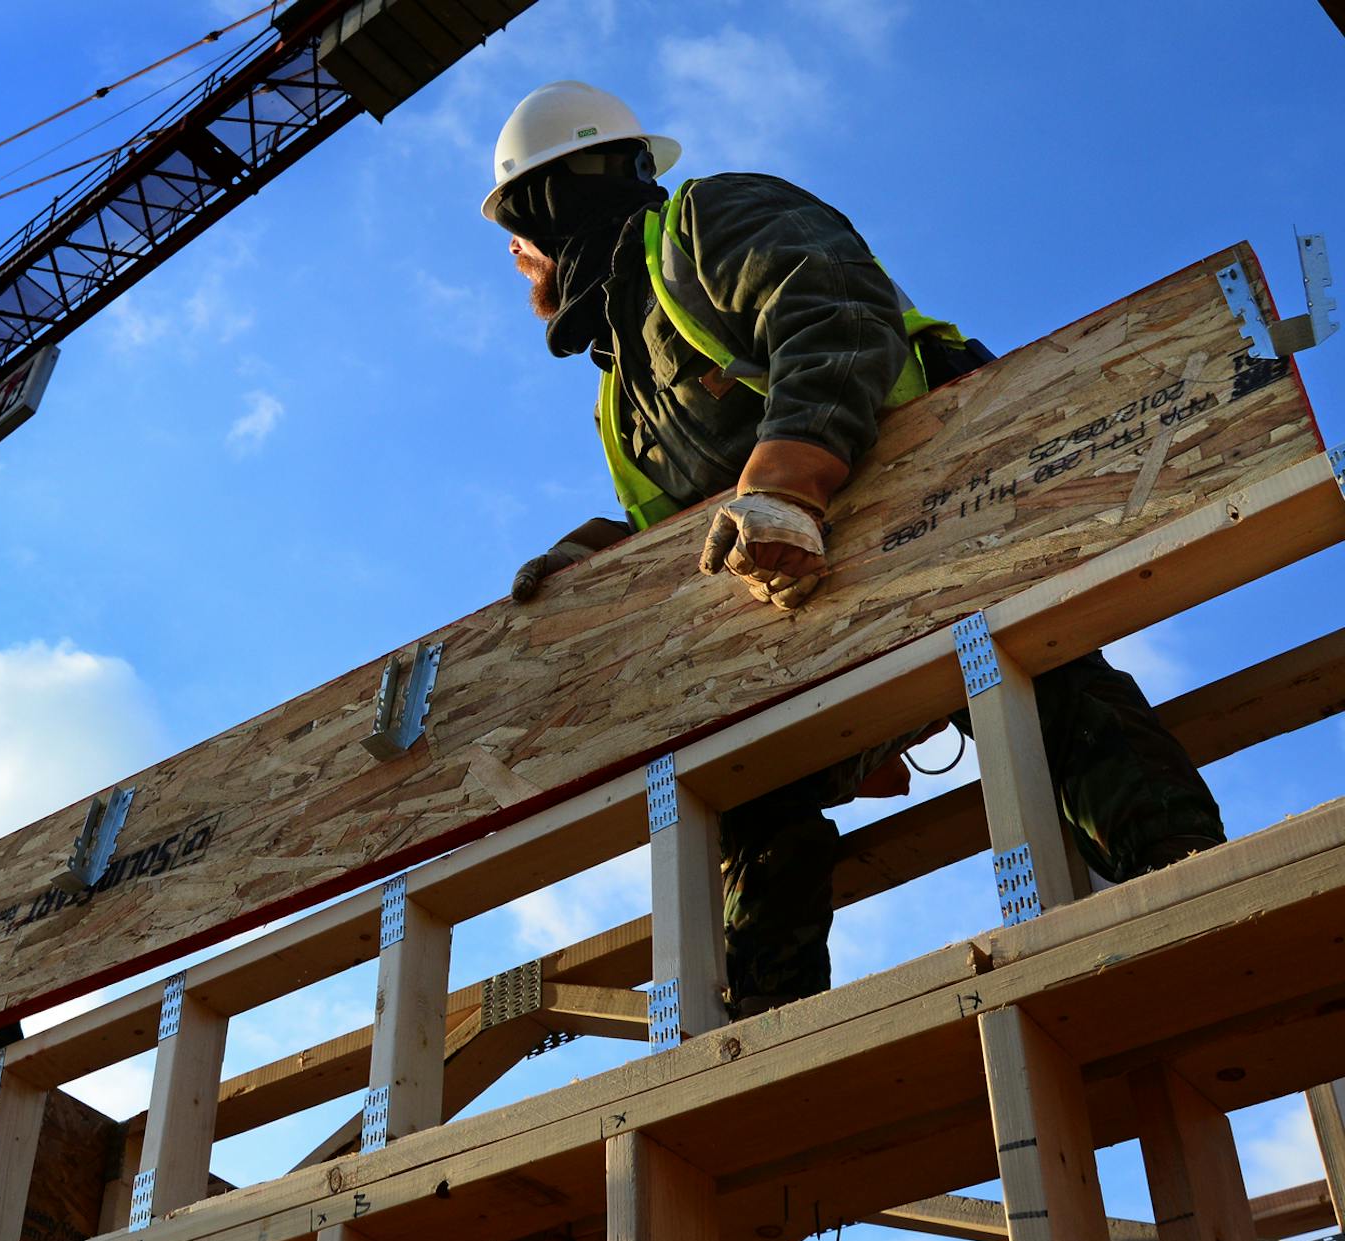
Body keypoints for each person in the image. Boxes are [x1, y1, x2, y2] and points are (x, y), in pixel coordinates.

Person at [483, 81, 1226, 1014]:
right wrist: (603, 563)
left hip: (951, 521)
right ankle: (772, 1041)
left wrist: (788, 486)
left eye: (517, 230)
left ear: (556, 200)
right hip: (821, 618)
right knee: (750, 798)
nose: (515, 259)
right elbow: (679, 523)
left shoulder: (707, 223)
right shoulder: (619, 390)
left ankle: (1200, 898)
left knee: (1048, 683)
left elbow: (836, 312)